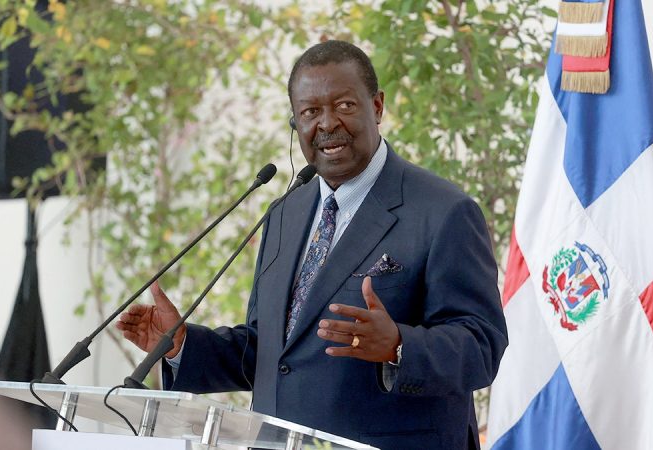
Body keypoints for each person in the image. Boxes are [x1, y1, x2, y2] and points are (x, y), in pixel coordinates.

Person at [117, 40, 507, 450]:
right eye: (310, 112)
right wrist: (181, 346)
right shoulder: (285, 212)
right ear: (295, 123)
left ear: (377, 106)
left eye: (345, 105)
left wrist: (398, 346)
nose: (327, 123)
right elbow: (271, 352)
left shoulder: (444, 211)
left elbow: (482, 345)